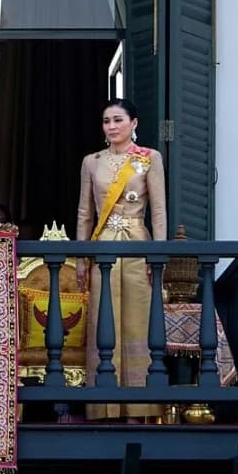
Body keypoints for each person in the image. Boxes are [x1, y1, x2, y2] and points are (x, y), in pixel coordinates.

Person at [76, 98, 166, 422]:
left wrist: (159, 257)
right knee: (105, 320)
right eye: (106, 121)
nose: (112, 126)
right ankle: (104, 407)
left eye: (118, 120)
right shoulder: (92, 162)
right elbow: (85, 213)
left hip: (138, 245)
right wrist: (82, 259)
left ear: (134, 123)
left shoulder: (149, 159)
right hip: (102, 247)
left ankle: (140, 408)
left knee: (138, 322)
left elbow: (158, 211)